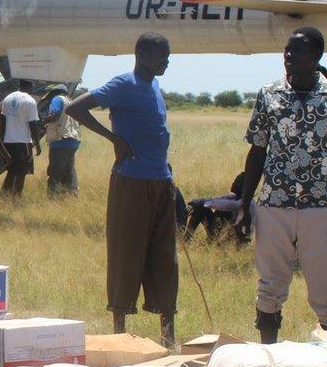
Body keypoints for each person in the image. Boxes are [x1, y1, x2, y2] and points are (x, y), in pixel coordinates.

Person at [66, 32, 177, 348]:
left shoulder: (153, 85)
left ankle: (168, 334)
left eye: (167, 56)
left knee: (165, 257)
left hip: (160, 180)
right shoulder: (123, 84)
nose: (166, 61)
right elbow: (76, 108)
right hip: (132, 181)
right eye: (160, 55)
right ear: (141, 54)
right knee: (127, 253)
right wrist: (114, 139)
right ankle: (119, 333)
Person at [234, 27, 327, 344]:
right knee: (271, 283)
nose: (289, 56)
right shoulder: (269, 94)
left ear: (316, 56)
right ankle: (269, 357)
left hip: (321, 206)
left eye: (298, 50)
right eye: (287, 50)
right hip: (274, 203)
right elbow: (257, 150)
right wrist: (245, 204)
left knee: (324, 286)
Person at [0, 79, 41, 197]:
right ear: (30, 87)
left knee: (11, 171)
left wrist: (1, 143)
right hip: (22, 142)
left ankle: (4, 196)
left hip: (8, 142)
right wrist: (37, 145)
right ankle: (15, 198)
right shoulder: (30, 101)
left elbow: (3, 122)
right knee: (22, 172)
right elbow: (33, 124)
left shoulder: (7, 99)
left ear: (19, 85)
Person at [41, 85, 81, 196]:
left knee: (55, 172)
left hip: (61, 140)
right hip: (73, 140)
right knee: (69, 170)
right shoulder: (71, 101)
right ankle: (71, 195)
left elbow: (54, 115)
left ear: (55, 92)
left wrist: (40, 121)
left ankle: (53, 197)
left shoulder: (57, 99)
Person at [186, 172, 246, 244]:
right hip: (221, 234)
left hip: (227, 240)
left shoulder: (240, 202)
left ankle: (210, 241)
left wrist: (195, 203)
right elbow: (213, 200)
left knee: (201, 207)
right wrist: (195, 204)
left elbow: (214, 203)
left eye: (236, 182)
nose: (233, 184)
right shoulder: (235, 198)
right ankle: (186, 240)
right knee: (200, 208)